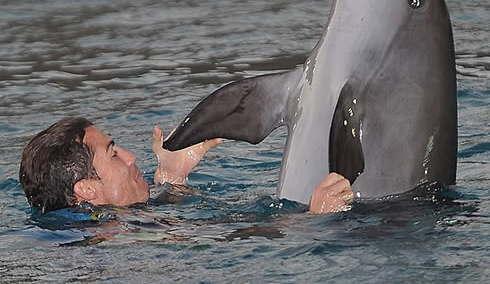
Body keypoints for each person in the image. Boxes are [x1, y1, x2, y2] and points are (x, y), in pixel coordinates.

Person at [19, 117, 353, 215]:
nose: (132, 156)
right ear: (86, 190)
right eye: (114, 154)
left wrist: (173, 180)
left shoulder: (123, 224)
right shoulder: (115, 246)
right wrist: (314, 220)